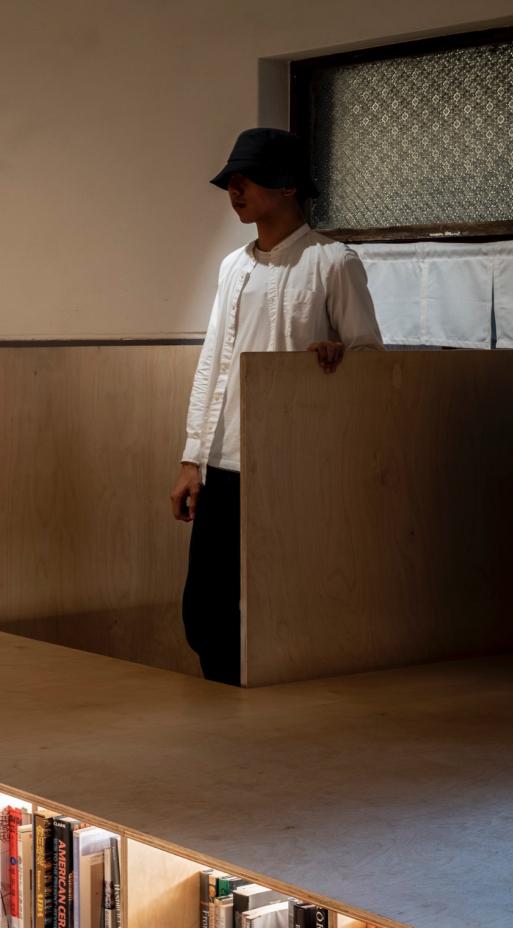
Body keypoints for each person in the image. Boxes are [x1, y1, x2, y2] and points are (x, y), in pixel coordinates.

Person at [171, 127, 383, 684]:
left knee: (279, 596)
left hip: (292, 462)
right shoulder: (232, 267)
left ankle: (259, 719)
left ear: (288, 186)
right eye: (230, 182)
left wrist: (339, 352)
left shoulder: (333, 261)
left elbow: (373, 362)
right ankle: (227, 706)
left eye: (247, 180)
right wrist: (193, 457)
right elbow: (212, 364)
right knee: (204, 610)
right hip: (225, 463)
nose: (235, 191)